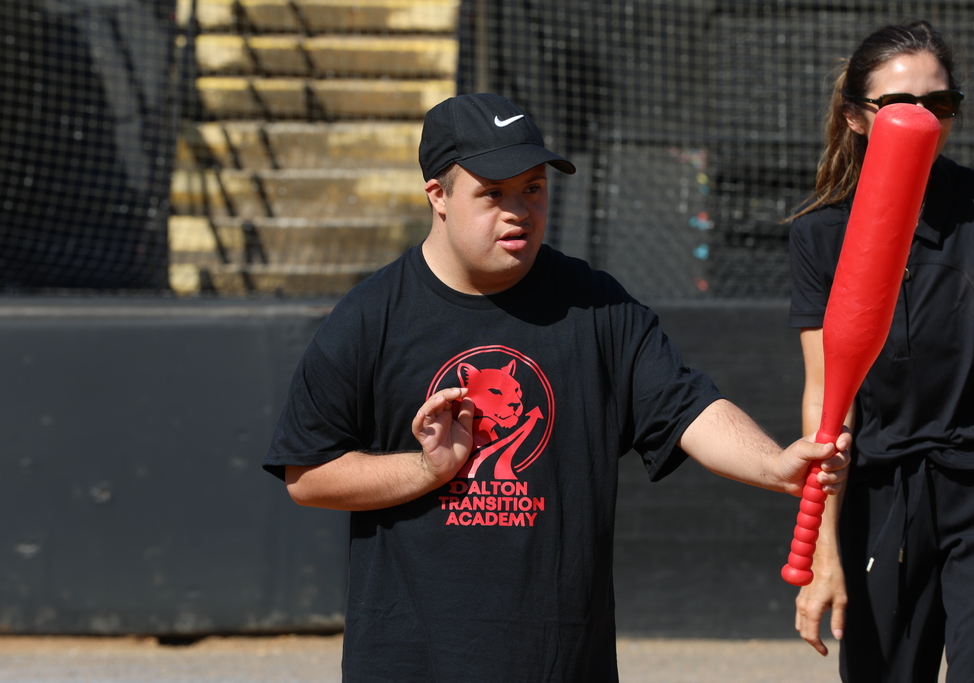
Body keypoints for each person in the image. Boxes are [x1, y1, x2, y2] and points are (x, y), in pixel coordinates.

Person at [264, 92, 850, 682]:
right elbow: (307, 475)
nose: (518, 210)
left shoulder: (596, 306)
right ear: (437, 196)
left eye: (533, 189)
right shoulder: (371, 316)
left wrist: (775, 466)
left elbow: (688, 409)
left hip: (561, 664)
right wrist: (425, 471)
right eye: (492, 193)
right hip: (411, 664)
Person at [788, 21, 974, 683]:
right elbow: (824, 401)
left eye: (941, 105)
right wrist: (825, 553)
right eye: (900, 105)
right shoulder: (821, 234)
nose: (924, 120)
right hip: (880, 491)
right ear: (856, 117)